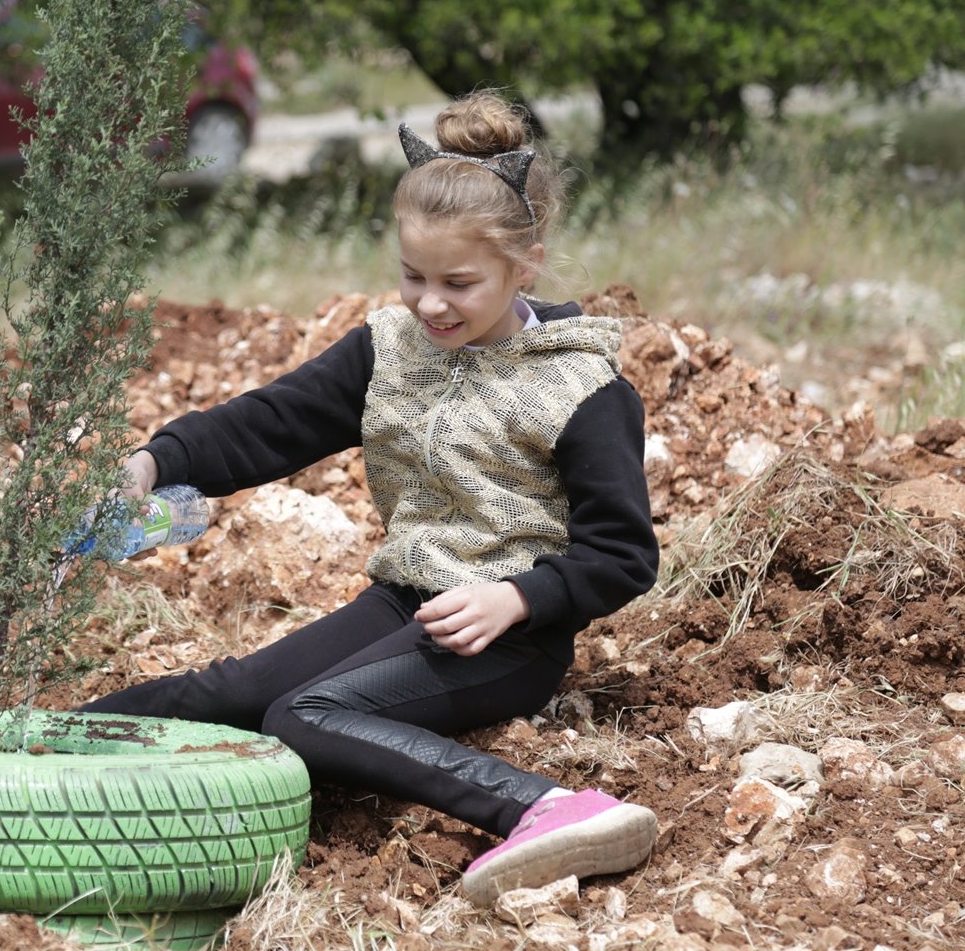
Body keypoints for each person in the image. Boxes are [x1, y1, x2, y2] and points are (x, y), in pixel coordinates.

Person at [79, 90, 660, 906]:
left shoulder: (581, 386)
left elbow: (624, 556)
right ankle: (42, 753)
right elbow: (270, 424)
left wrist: (519, 599)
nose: (429, 303)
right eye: (412, 275)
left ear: (523, 264)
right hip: (400, 606)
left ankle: (551, 808)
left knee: (302, 715)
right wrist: (155, 460)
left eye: (459, 283)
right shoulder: (390, 348)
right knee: (223, 695)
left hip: (505, 639)